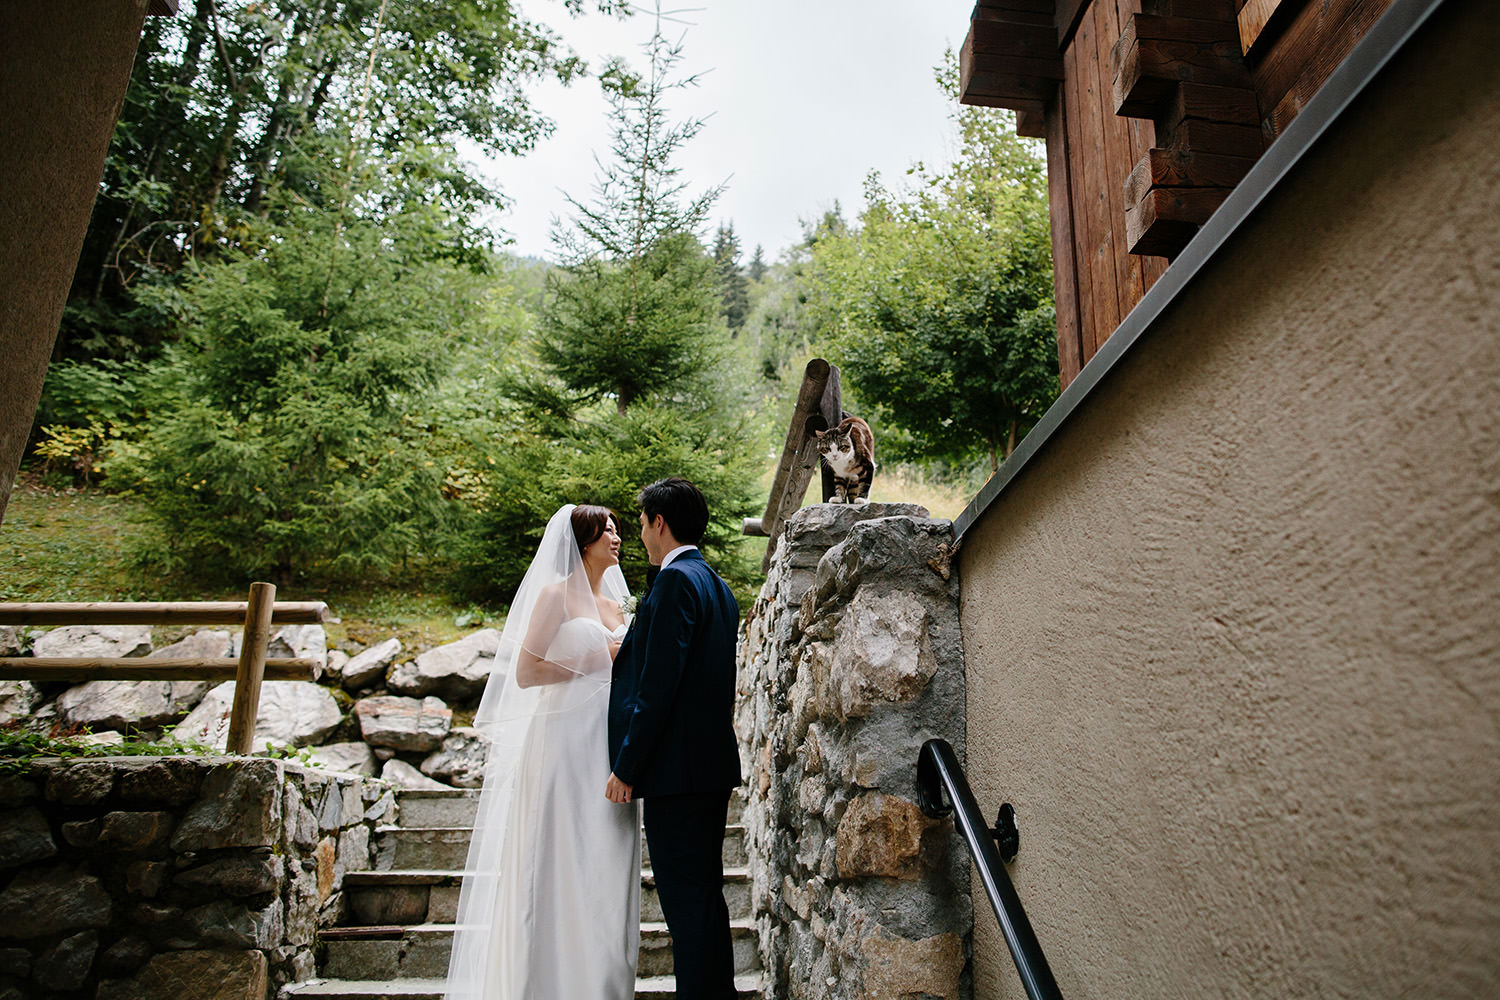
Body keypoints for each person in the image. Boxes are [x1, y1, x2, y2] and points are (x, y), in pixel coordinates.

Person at [444, 504, 640, 1000]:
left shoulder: (620, 606)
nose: (617, 538)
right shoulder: (556, 596)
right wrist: (601, 657)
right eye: (608, 531)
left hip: (607, 744)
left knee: (606, 860)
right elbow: (527, 672)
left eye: (618, 529)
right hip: (561, 743)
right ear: (584, 541)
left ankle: (600, 985)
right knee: (557, 857)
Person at [606, 478, 743, 1000]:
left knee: (687, 907)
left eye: (640, 523)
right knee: (705, 900)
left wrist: (626, 766)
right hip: (708, 769)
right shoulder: (716, 584)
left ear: (659, 523)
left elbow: (658, 686)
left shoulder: (674, 582)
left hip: (677, 774)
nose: (639, 533)